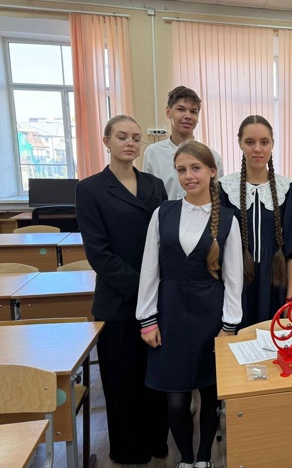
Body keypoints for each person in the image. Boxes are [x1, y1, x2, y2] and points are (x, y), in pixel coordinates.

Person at [136, 141, 243, 468]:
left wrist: (229, 326)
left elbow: (234, 278)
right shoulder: (162, 213)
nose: (188, 176)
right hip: (169, 314)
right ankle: (184, 457)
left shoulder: (228, 219)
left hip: (210, 316)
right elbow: (149, 269)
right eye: (181, 169)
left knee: (210, 393)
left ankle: (203, 458)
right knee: (177, 401)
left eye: (195, 168)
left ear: (212, 172)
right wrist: (147, 319)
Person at [75, 115, 169, 464]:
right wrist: (142, 289)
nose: (130, 143)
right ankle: (130, 451)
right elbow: (98, 253)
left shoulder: (154, 185)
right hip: (118, 301)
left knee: (154, 379)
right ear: (106, 141)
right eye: (122, 136)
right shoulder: (90, 189)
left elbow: (164, 240)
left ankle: (157, 443)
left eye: (135, 137)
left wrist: (157, 290)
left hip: (156, 300)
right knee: (122, 381)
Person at [219, 115, 292, 327]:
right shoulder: (224, 188)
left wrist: (291, 299)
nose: (257, 149)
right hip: (236, 283)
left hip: (275, 282)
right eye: (250, 142)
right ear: (240, 143)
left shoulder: (288, 189)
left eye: (264, 142)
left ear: (272, 144)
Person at [143, 85, 224, 199]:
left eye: (193, 111)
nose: (188, 116)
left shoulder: (212, 157)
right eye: (181, 109)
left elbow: (217, 197)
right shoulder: (153, 153)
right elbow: (148, 195)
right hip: (163, 211)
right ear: (168, 112)